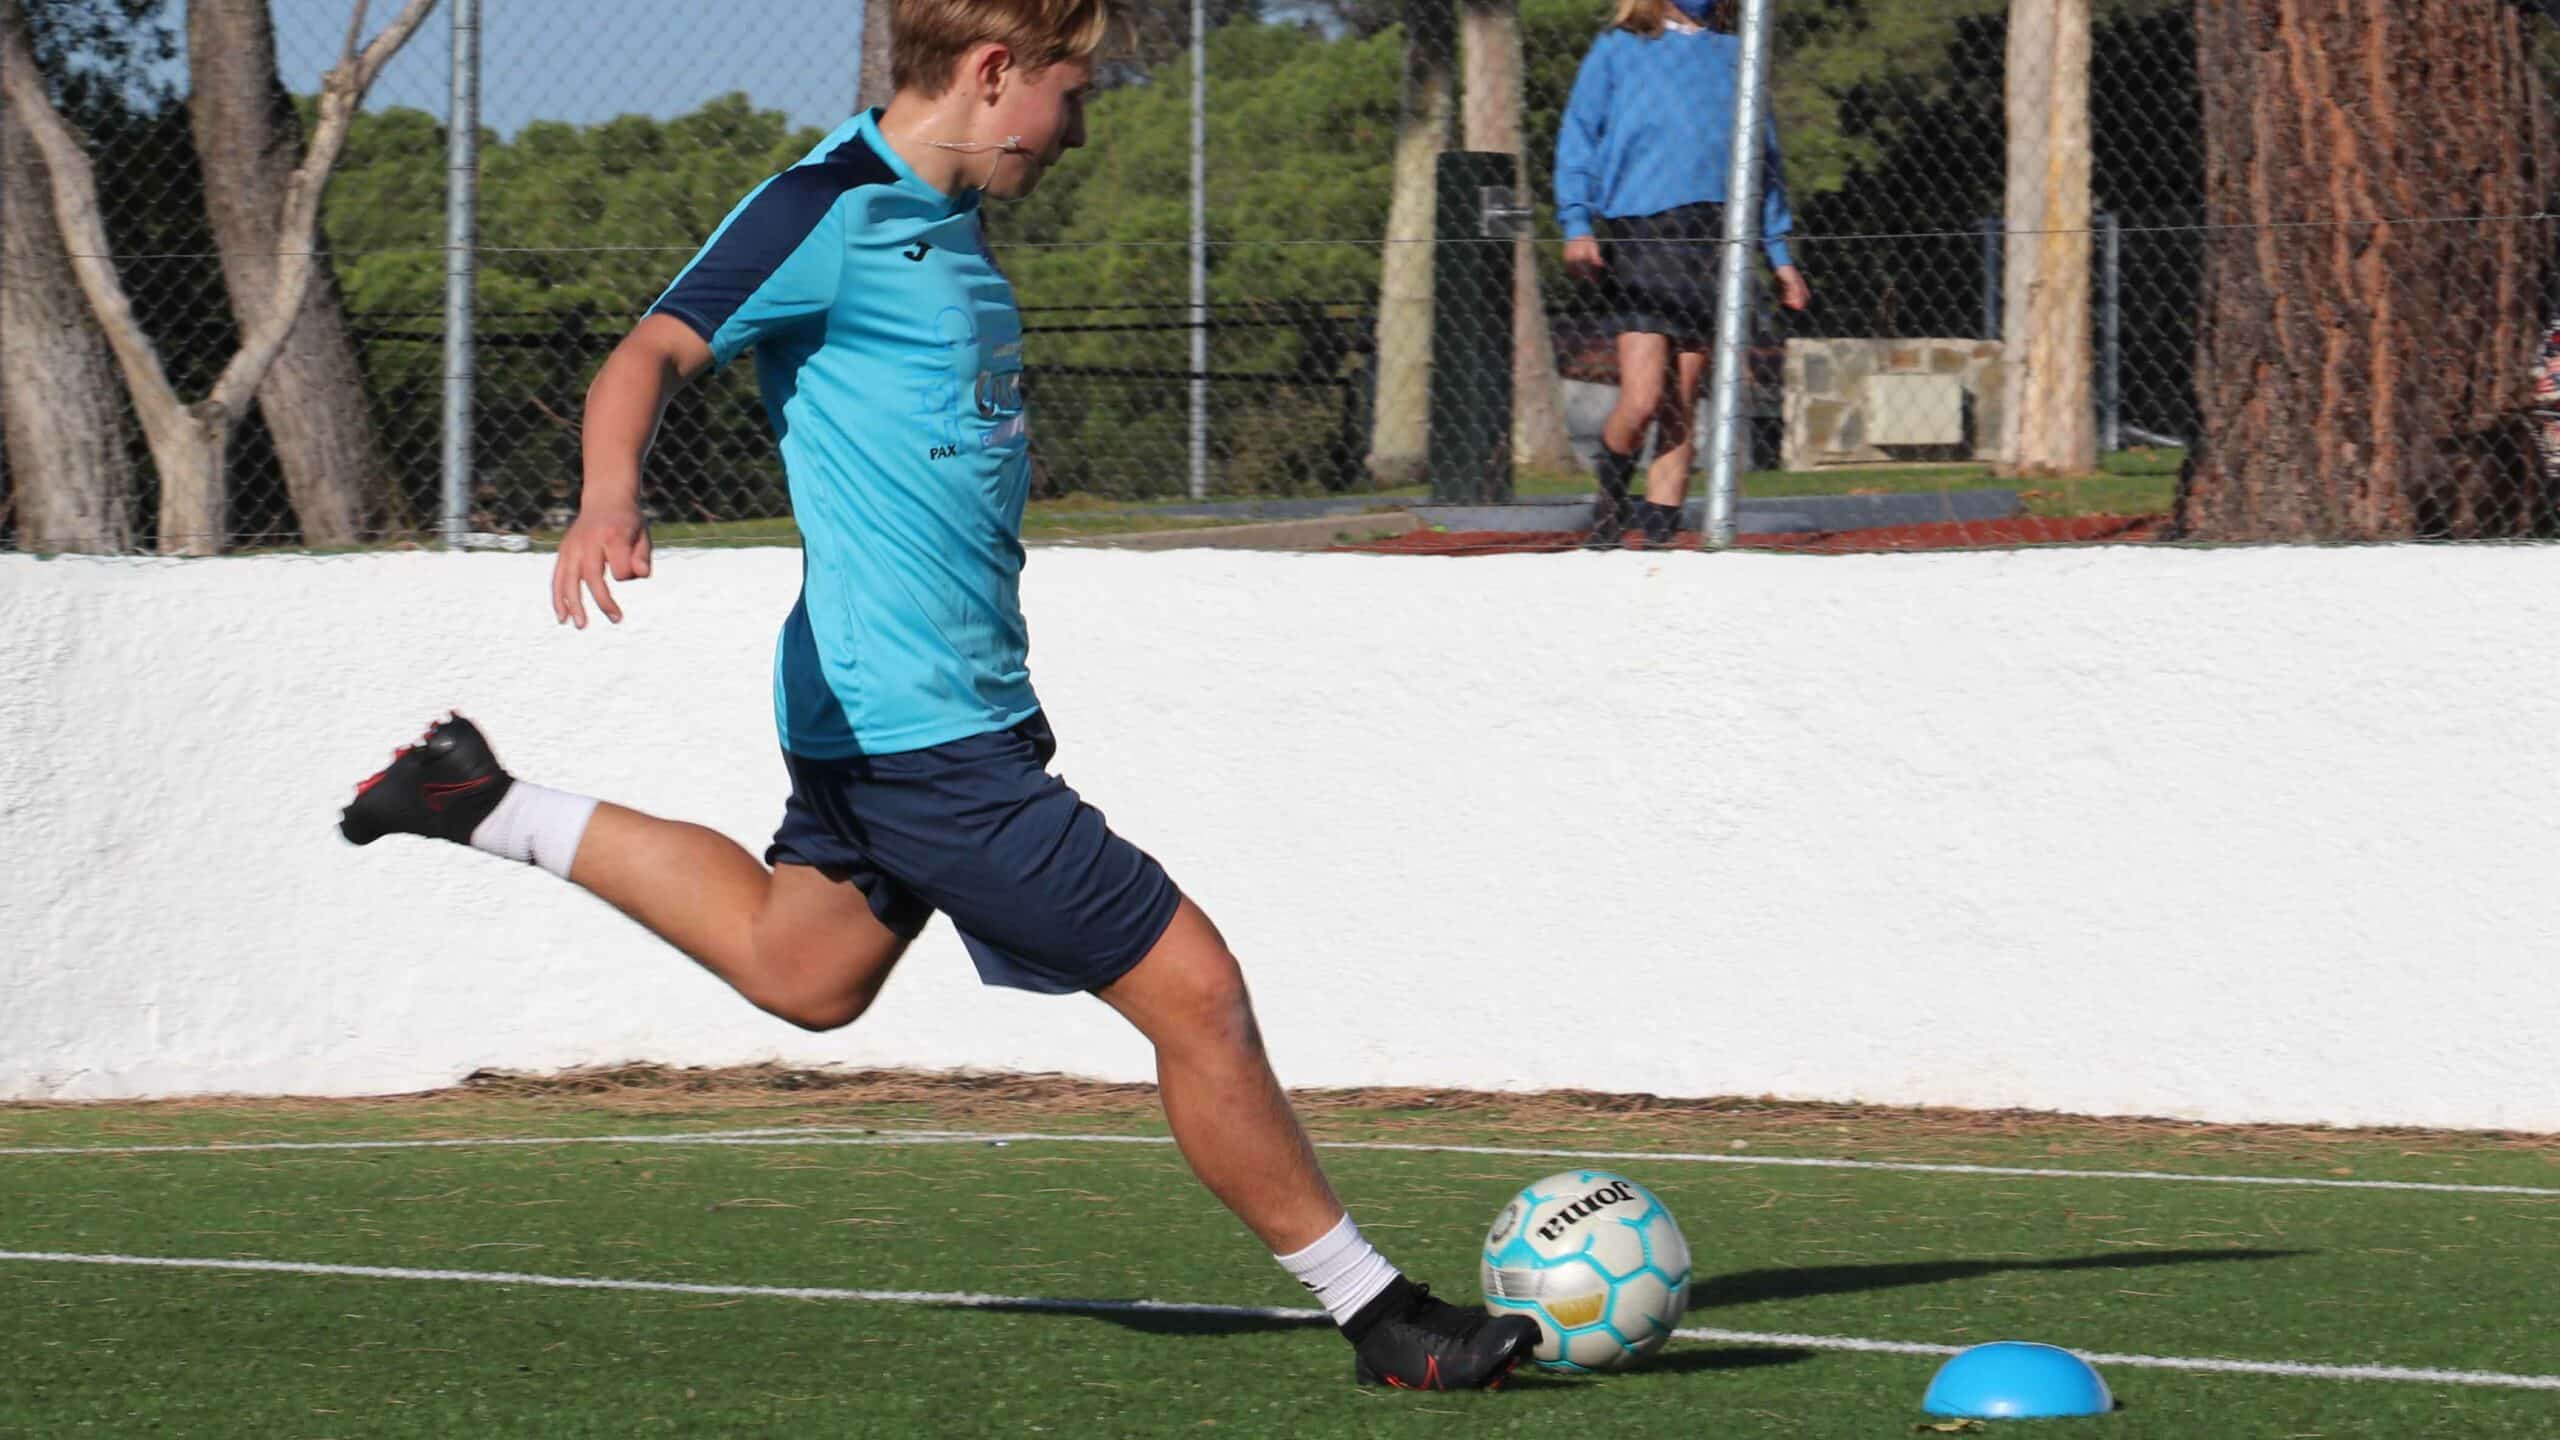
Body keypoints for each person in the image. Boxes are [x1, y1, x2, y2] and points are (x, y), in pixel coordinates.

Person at [337, 0, 1537, 1392]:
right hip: (917, 732)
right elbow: (650, 348)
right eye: (1072, 96)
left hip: (901, 713)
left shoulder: (952, 220)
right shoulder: (825, 207)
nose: (1080, 129)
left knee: (807, 969)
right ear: (990, 75)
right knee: (1199, 996)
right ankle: (1381, 1317)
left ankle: (477, 798)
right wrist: (610, 492)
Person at [1555, 0, 1811, 547]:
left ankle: (1660, 532)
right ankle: (1610, 501)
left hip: (1716, 236)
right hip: (1641, 231)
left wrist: (1780, 257)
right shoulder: (1619, 48)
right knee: (1642, 397)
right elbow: (1579, 136)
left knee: (1682, 398)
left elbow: (1765, 162)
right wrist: (1577, 224)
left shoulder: (1738, 55)